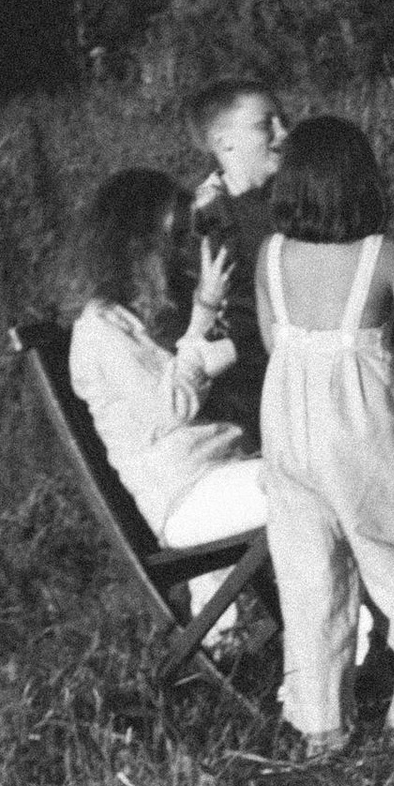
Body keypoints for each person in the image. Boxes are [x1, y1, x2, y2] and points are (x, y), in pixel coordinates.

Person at [255, 113, 394, 748]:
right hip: (357, 433)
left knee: (309, 579)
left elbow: (277, 342)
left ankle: (320, 725)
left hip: (287, 433)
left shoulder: (270, 255)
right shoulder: (381, 254)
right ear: (363, 182)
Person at [67, 169, 270, 553]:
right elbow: (173, 406)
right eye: (173, 240)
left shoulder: (160, 311)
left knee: (328, 463)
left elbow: (235, 357)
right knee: (316, 485)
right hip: (187, 495)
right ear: (135, 247)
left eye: (184, 237)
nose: (184, 252)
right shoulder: (100, 330)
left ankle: (355, 610)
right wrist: (204, 313)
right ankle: (358, 613)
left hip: (230, 468)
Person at [186, 75, 287, 441]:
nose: (284, 133)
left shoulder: (292, 201)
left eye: (283, 120)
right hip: (251, 397)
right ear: (223, 142)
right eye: (266, 125)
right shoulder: (205, 221)